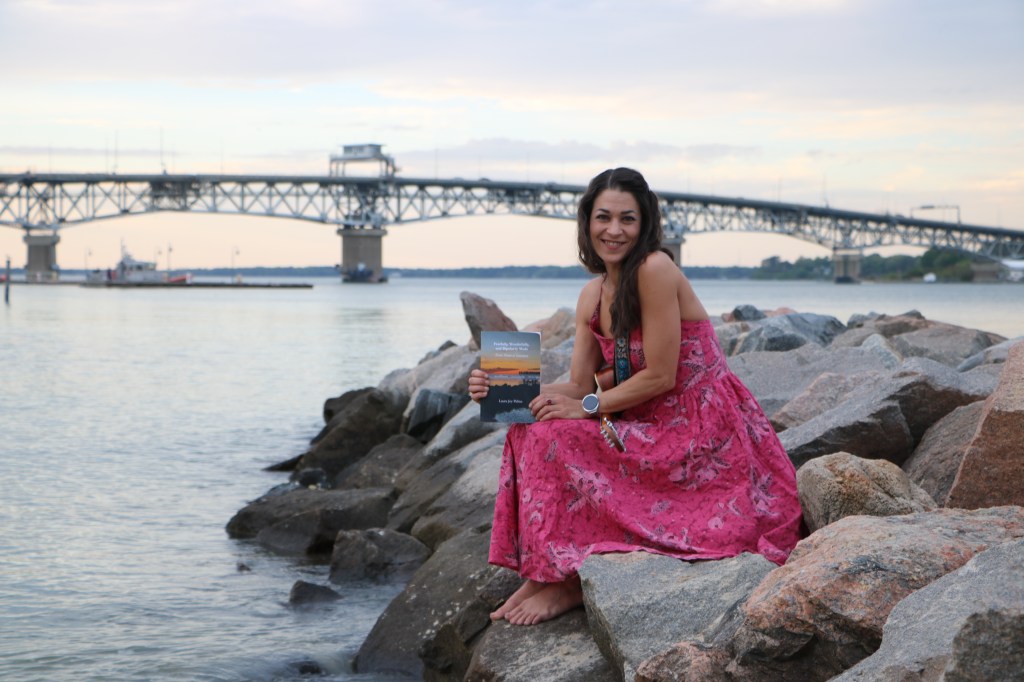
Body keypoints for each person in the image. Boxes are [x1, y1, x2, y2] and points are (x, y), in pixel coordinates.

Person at [468, 168, 803, 626]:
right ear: (587, 223)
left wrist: (586, 408)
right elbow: (580, 385)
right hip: (642, 421)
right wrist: (503, 391)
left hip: (700, 432)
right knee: (530, 428)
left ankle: (569, 581)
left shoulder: (655, 269)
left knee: (556, 436)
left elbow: (661, 376)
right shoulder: (592, 294)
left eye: (627, 219)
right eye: (603, 217)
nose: (614, 230)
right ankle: (544, 568)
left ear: (644, 224)